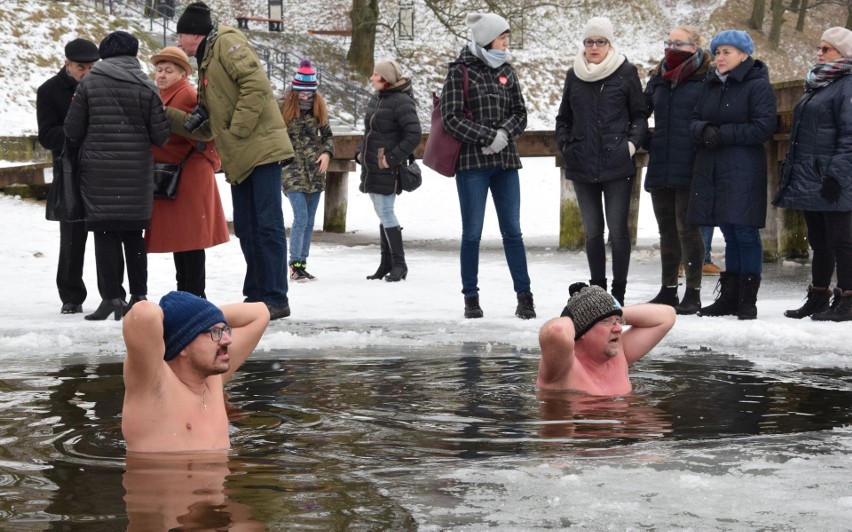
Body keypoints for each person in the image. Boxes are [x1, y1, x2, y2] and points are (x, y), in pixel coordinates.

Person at [172, 2, 295, 320]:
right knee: (247, 226)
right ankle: (256, 296)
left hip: (261, 149)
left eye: (180, 35)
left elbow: (255, 85)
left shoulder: (227, 41)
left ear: (193, 34)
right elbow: (209, 123)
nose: (177, 42)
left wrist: (237, 129)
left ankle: (274, 297)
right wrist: (164, 116)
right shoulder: (206, 59)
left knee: (266, 225)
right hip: (241, 155)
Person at [63, 31, 170, 321]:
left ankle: (111, 298)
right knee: (134, 236)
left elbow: (72, 131)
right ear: (134, 55)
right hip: (136, 174)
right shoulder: (147, 86)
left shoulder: (89, 84)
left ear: (104, 55)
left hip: (98, 174)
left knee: (106, 235)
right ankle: (139, 297)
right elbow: (161, 136)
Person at [440, 12, 535, 319]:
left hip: (505, 162)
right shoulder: (460, 71)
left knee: (513, 232)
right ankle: (471, 297)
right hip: (472, 164)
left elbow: (521, 112)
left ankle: (524, 296)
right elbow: (450, 117)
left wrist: (505, 133)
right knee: (472, 233)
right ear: (486, 39)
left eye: (507, 36)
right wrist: (486, 136)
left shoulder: (507, 70)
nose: (507, 41)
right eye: (501, 36)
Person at [555, 16, 649, 306]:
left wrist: (631, 145)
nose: (594, 47)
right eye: (589, 41)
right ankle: (598, 291)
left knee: (618, 232)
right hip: (583, 164)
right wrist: (567, 145)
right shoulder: (575, 74)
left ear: (610, 44)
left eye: (600, 42)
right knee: (593, 232)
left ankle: (618, 293)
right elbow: (563, 118)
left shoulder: (626, 72)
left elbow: (640, 114)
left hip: (617, 163)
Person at [688, 30, 777, 320]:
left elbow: (763, 127)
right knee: (728, 230)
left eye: (727, 52)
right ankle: (729, 296)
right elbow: (693, 120)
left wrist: (721, 133)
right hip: (713, 167)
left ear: (744, 55)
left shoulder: (757, 86)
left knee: (745, 231)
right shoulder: (710, 84)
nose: (720, 57)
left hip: (743, 168)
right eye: (717, 52)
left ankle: (747, 299)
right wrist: (703, 130)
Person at [121, 291, 270, 453]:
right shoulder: (152, 385)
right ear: (184, 345)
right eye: (214, 332)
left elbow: (260, 313)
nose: (227, 339)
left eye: (224, 330)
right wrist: (190, 321)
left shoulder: (213, 377)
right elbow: (143, 313)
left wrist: (206, 317)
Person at [773, 27, 852, 322]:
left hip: (834, 178)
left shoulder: (847, 84)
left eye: (826, 49)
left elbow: (850, 135)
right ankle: (819, 296)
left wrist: (836, 176)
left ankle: (848, 298)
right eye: (819, 48)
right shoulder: (819, 83)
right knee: (818, 241)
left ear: (842, 54)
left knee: (842, 241)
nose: (818, 53)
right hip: (811, 176)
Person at [146, 47, 230, 299]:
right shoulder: (165, 95)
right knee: (183, 240)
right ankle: (188, 293)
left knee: (190, 241)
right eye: (159, 70)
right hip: (179, 177)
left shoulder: (186, 95)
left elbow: (207, 134)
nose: (161, 75)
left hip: (189, 178)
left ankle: (194, 294)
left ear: (183, 73)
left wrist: (212, 161)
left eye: (168, 70)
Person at [644, 26, 711, 315]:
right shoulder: (658, 78)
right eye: (668, 42)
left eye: (678, 43)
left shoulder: (705, 78)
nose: (671, 47)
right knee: (666, 230)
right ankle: (668, 288)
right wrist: (647, 138)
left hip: (691, 162)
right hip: (661, 162)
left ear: (695, 47)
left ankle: (693, 292)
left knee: (689, 230)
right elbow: (640, 112)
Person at [36, 38, 100, 315]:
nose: (86, 72)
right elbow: (47, 136)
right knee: (72, 237)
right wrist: (76, 131)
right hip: (70, 171)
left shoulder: (102, 86)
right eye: (80, 67)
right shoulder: (50, 91)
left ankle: (113, 292)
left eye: (91, 67)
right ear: (67, 64)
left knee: (110, 234)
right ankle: (71, 295)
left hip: (101, 168)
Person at [537, 282, 676, 395]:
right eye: (605, 322)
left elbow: (666, 316)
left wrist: (612, 312)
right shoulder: (563, 369)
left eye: (617, 321)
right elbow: (557, 330)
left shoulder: (619, 354)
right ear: (581, 331)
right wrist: (581, 317)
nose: (618, 328)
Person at [354, 59, 421, 283]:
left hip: (386, 167)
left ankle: (399, 264)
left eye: (376, 74)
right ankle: (386, 263)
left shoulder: (401, 101)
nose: (372, 78)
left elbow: (413, 135)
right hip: (372, 165)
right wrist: (359, 152)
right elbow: (369, 131)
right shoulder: (377, 98)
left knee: (386, 211)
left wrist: (390, 159)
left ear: (387, 79)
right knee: (382, 212)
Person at [280, 59, 334, 282]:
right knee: (300, 216)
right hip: (291, 170)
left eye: (309, 93)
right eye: (300, 92)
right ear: (294, 90)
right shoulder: (282, 107)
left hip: (315, 170)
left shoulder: (318, 107)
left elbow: (329, 136)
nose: (305, 97)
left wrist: (327, 153)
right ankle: (294, 265)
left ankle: (302, 263)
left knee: (310, 220)